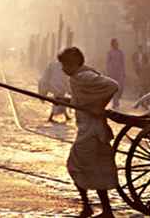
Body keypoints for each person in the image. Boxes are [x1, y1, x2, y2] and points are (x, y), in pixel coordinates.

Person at [58, 47, 118, 218]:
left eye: (65, 65)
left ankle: (87, 207)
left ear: (74, 63)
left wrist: (96, 106)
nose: (63, 69)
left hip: (91, 131)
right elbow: (82, 101)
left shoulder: (83, 76)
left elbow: (112, 85)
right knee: (96, 169)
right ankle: (105, 211)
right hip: (92, 129)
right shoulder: (80, 77)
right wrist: (67, 101)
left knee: (75, 166)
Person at [106, 38, 126, 109]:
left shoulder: (121, 52)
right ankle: (115, 102)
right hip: (112, 73)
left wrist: (124, 72)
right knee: (114, 87)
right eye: (115, 43)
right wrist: (108, 72)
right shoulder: (110, 53)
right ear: (112, 44)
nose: (116, 45)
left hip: (120, 72)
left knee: (120, 88)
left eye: (117, 43)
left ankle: (117, 100)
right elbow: (107, 63)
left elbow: (123, 63)